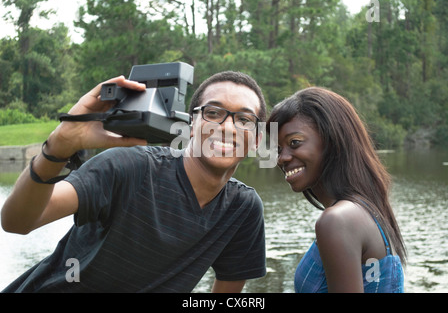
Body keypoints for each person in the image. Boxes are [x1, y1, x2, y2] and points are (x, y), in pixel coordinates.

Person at [1, 70, 267, 293]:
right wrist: (58, 147)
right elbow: (17, 222)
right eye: (213, 112)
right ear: (190, 123)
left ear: (256, 139)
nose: (228, 127)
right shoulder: (130, 167)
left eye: (244, 119)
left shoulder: (243, 209)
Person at [267, 86, 406, 293]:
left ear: (331, 140)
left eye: (294, 143)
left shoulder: (337, 221)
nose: (282, 158)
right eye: (278, 149)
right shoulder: (366, 210)